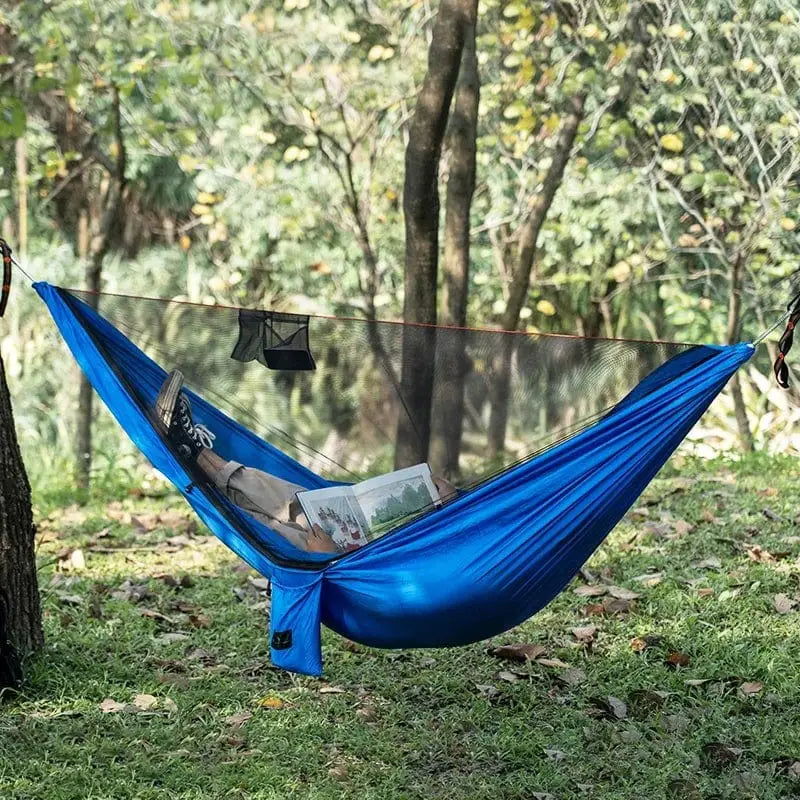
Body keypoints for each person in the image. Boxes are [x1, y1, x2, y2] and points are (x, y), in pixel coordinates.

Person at [154, 370, 456, 554]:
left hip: (347, 561)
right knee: (294, 501)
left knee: (267, 528)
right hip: (355, 537)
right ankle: (196, 455)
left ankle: (194, 454)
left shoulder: (446, 564)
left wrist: (323, 557)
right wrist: (446, 495)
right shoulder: (465, 529)